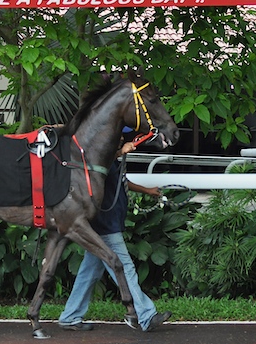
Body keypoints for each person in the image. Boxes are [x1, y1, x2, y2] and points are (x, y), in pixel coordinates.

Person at [58, 137, 172, 332]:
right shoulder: (100, 156)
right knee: (124, 267)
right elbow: (98, 168)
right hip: (105, 224)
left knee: (89, 272)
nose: (121, 138)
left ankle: (70, 316)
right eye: (118, 135)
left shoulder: (111, 158)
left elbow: (120, 181)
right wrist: (120, 152)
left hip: (107, 222)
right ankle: (146, 315)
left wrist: (147, 191)